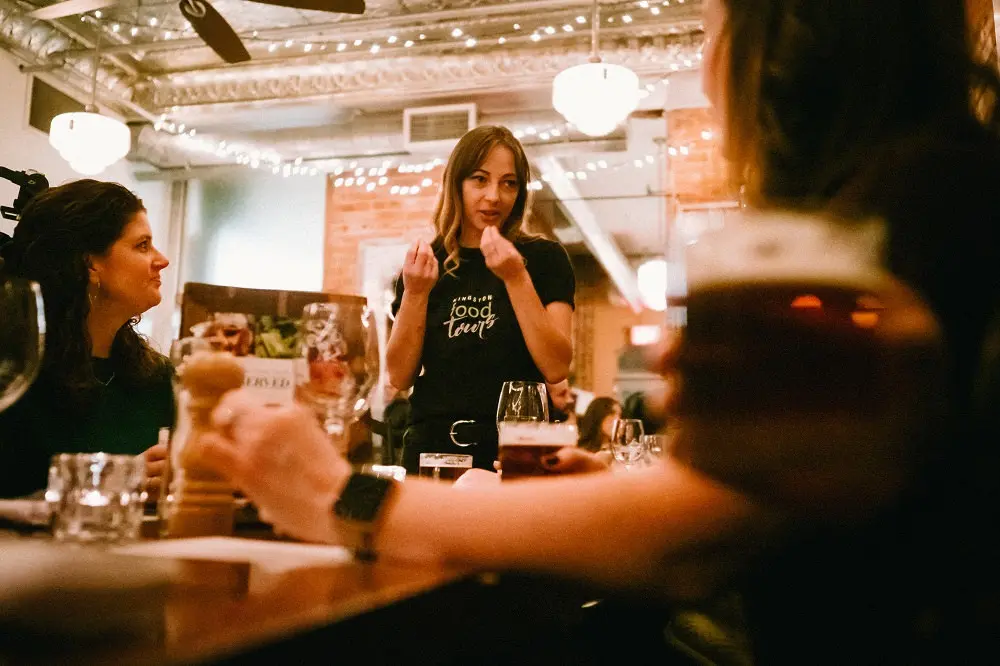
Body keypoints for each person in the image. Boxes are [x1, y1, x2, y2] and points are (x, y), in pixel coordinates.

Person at [197, 0, 1000, 662]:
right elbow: (765, 503)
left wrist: (345, 496)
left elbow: (692, 538)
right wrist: (617, 488)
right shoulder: (928, 188)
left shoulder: (906, 215)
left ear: (783, 38)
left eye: (711, 28)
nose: (707, 70)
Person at [386, 125, 575, 473]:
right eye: (480, 179)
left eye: (509, 183)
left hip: (514, 451)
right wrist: (415, 293)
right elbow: (399, 376)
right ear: (456, 184)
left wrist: (516, 277)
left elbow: (556, 365)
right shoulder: (427, 264)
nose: (494, 196)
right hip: (432, 449)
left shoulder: (544, 258)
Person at [0, 180, 174, 499]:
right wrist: (113, 481)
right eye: (142, 245)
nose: (162, 260)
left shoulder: (159, 380)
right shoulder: (14, 377)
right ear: (91, 264)